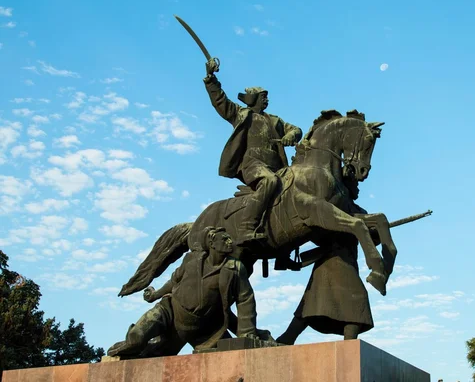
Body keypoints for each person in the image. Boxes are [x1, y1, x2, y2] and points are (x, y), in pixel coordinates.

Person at [107, 227, 260, 358]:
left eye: (229, 239)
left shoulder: (234, 268)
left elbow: (245, 299)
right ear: (212, 244)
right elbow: (174, 281)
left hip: (201, 328)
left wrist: (247, 332)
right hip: (170, 311)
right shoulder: (191, 259)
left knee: (155, 355)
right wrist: (155, 295)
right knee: (136, 339)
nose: (230, 242)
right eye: (225, 239)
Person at [203, 58, 302, 246]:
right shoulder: (241, 113)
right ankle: (247, 226)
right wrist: (211, 78)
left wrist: (291, 135)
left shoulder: (275, 120)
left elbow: (295, 129)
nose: (267, 100)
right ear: (254, 99)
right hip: (253, 164)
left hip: (277, 166)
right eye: (263, 97)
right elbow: (220, 101)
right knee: (269, 181)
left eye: (267, 97)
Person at [276, 168, 375, 344]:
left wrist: (378, 230)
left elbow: (371, 237)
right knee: (355, 298)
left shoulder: (357, 208)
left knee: (313, 302)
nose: (358, 187)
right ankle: (348, 344)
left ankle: (289, 337)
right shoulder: (338, 207)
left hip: (346, 261)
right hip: (333, 259)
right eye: (355, 183)